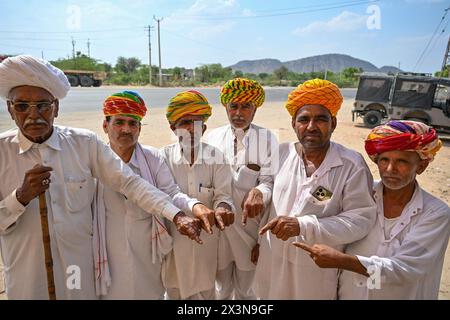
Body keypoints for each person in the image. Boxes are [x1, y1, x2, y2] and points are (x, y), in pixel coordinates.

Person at [0, 55, 202, 299]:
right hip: (27, 276)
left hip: (79, 275)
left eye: (42, 105)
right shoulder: (2, 152)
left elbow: (130, 183)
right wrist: (19, 198)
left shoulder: (83, 144)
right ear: (10, 110)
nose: (33, 115)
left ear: (56, 107)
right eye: (22, 106)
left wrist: (178, 215)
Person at [294, 120, 450, 300]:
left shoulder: (435, 213)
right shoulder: (360, 189)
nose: (390, 169)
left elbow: (404, 269)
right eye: (384, 160)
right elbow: (324, 194)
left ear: (421, 167)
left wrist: (343, 261)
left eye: (402, 162)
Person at [256, 79, 376, 299]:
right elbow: (267, 186)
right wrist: (258, 194)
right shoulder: (281, 153)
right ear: (294, 124)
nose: (311, 126)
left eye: (320, 119)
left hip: (315, 270)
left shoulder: (350, 164)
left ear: (333, 123)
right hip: (272, 260)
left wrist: (303, 225)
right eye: (304, 119)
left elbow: (361, 220)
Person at [98, 90, 210, 299]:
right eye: (119, 122)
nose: (126, 129)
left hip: (146, 252)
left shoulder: (152, 158)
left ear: (139, 129)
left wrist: (194, 206)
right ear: (106, 126)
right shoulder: (95, 162)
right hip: (107, 250)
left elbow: (171, 193)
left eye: (133, 123)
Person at [205, 78, 278, 299]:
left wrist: (259, 192)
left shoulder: (267, 139)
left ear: (255, 109)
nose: (238, 112)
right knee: (221, 289)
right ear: (226, 107)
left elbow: (270, 182)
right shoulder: (212, 138)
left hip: (250, 231)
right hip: (218, 231)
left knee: (248, 290)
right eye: (233, 106)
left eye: (245, 106)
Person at [161, 90, 235, 300]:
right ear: (173, 127)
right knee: (173, 291)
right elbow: (164, 195)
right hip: (174, 246)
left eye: (196, 123)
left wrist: (223, 207)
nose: (190, 129)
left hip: (207, 245)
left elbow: (224, 195)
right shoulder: (162, 158)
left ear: (203, 128)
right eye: (184, 122)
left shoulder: (216, 157)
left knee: (206, 292)